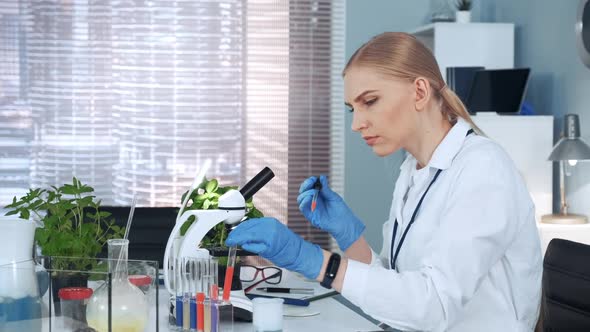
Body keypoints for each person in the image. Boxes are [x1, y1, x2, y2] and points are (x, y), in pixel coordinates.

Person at [226, 32, 542, 331]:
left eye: (370, 101)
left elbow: (433, 307)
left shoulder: (482, 169)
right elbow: (398, 292)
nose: (356, 124)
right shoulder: (412, 170)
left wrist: (314, 261)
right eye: (352, 108)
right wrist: (349, 238)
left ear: (419, 92)